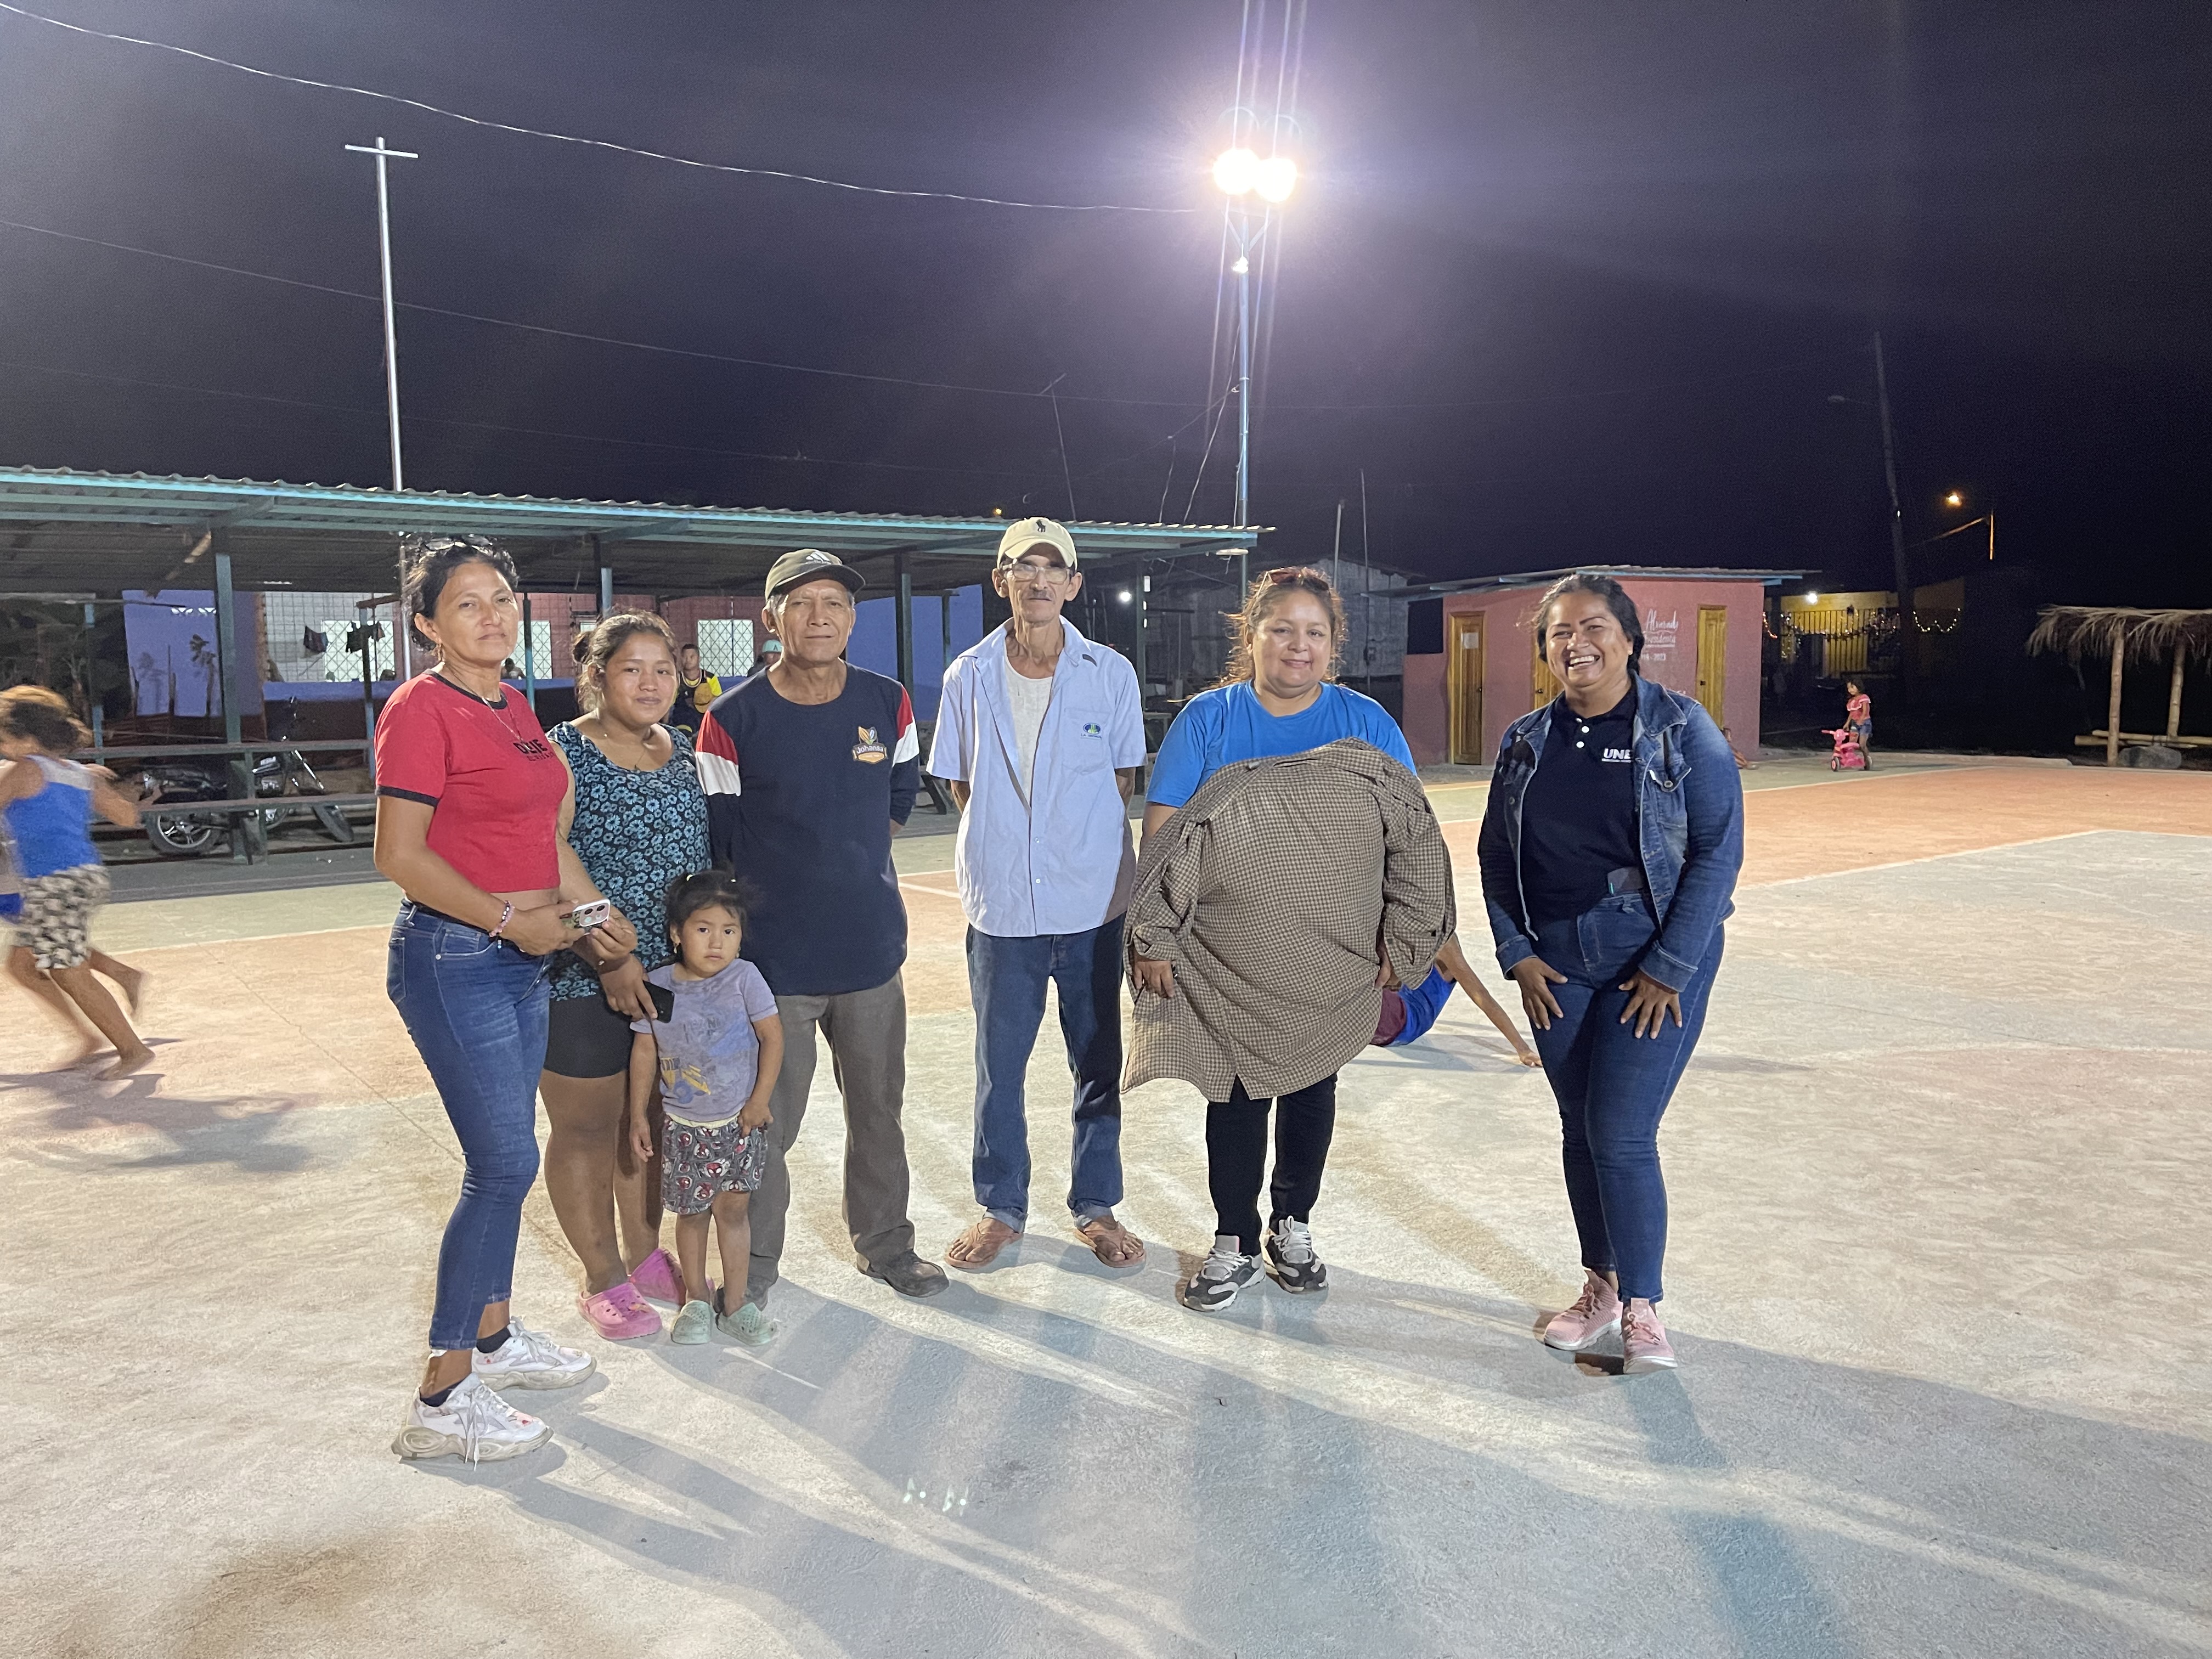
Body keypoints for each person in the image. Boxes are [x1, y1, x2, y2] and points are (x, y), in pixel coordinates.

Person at [376, 534, 634, 1463]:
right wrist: (507, 921)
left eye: (502, 599)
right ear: (427, 624)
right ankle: (444, 1396)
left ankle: (493, 1338)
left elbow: (540, 839)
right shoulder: (422, 707)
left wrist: (593, 912)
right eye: (467, 603)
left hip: (524, 957)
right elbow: (398, 853)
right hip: (458, 958)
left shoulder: (512, 705)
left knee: (506, 1162)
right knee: (500, 1166)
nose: (492, 616)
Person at [1134, 567, 1440, 1312]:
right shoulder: (1207, 720)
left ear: (1334, 644)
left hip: (1334, 959)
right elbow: (1164, 837)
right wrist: (1153, 936)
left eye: (1314, 632)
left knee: (1311, 1088)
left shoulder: (1367, 723)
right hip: (1225, 961)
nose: (1298, 646)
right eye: (1281, 630)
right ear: (1252, 636)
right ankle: (1234, 1239)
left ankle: (1292, 1226)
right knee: (1235, 1096)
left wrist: (1405, 934)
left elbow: (1413, 837)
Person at [1476, 572, 1742, 1375]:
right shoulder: (1527, 739)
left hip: (1649, 961)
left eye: (1593, 626)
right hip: (1556, 964)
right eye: (1560, 631)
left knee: (1620, 1133)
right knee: (1578, 1129)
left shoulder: (1681, 729)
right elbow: (1496, 856)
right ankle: (1600, 1284)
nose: (1576, 643)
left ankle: (1643, 1308)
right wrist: (1517, 953)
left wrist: (1669, 967)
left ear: (1629, 640)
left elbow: (1716, 854)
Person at [698, 549, 947, 1304]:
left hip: (870, 954)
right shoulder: (730, 718)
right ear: (770, 618)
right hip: (774, 967)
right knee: (766, 1124)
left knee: (879, 1114)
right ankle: (754, 1267)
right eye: (800, 603)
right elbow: (720, 835)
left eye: (834, 603)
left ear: (852, 618)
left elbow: (899, 797)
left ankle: (886, 1244)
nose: (819, 618)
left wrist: (852, 863)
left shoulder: (887, 701)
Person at [927, 516, 1149, 1272]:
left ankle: (1097, 1204)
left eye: (1055, 568)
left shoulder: (1109, 674)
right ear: (1003, 581)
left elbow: (1122, 778)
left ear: (1074, 584)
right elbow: (962, 783)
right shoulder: (968, 676)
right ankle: (1002, 1207)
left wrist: (1070, 849)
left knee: (1097, 1064)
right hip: (1003, 911)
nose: (1040, 580)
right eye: (1025, 566)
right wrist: (1011, 848)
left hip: (1092, 906)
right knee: (1001, 1069)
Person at [540, 612, 711, 1342]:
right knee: (587, 1128)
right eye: (632, 669)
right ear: (597, 675)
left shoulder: (684, 750)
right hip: (583, 977)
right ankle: (602, 1275)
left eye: (663, 670)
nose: (650, 684)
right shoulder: (563, 753)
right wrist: (608, 956)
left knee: (650, 1124)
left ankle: (644, 1255)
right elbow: (543, 854)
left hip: (672, 981)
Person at [627, 870, 783, 1345]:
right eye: (703, 928)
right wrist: (639, 1115)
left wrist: (759, 1101)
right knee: (691, 1215)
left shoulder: (745, 978)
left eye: (729, 931)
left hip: (740, 1124)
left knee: (733, 1213)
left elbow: (773, 1038)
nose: (717, 942)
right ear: (677, 933)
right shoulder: (657, 986)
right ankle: (696, 1299)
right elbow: (645, 1050)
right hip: (684, 1127)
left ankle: (735, 1305)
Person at [0, 686, 155, 1076]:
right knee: (22, 964)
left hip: (54, 883)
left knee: (68, 971)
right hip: (85, 876)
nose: (3, 749)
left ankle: (132, 1050)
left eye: (5, 741)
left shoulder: (25, 770)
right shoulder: (80, 775)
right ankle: (93, 1032)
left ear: (28, 740)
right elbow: (126, 817)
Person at [1374, 934, 1542, 1068]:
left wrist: (1523, 1049)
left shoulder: (1444, 942)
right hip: (1393, 1008)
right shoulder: (1404, 924)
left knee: (1362, 981)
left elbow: (1482, 997)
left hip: (1409, 1019)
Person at [668, 642, 720, 736]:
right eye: (685, 657)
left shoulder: (710, 678)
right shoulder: (676, 679)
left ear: (699, 659)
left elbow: (718, 702)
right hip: (682, 719)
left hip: (704, 717)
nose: (688, 660)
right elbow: (669, 704)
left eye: (692, 657)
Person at [1843, 679, 1874, 768]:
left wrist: (1861, 720)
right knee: (1851, 743)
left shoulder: (1864, 698)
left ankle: (1867, 760)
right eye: (1849, 688)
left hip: (1865, 724)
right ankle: (1850, 760)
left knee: (1862, 745)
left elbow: (1866, 711)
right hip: (1855, 723)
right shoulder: (1851, 701)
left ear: (1858, 687)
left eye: (1852, 687)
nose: (1850, 690)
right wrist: (1847, 723)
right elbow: (1852, 713)